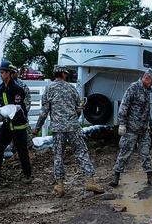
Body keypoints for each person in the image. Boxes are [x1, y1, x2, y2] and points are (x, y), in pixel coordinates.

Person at [32, 66, 104, 197]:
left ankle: (60, 185)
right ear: (64, 75)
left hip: (58, 128)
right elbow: (79, 108)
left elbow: (44, 112)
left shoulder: (49, 89)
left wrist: (37, 128)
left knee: (58, 155)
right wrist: (73, 119)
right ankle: (90, 181)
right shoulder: (71, 88)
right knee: (81, 152)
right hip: (73, 127)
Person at [112, 69, 152, 187]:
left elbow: (146, 110)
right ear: (146, 78)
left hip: (143, 130)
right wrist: (122, 123)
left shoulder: (147, 91)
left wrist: (151, 123)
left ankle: (150, 177)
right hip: (131, 129)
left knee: (145, 153)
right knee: (124, 153)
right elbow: (124, 106)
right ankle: (116, 178)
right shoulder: (133, 88)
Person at [0, 59, 32, 182]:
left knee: (21, 150)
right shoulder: (2, 87)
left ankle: (27, 175)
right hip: (7, 123)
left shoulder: (17, 88)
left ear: (9, 73)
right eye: (0, 72)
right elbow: (3, 104)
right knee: (0, 145)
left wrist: (11, 115)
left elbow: (19, 108)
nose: (1, 75)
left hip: (18, 124)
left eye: (3, 72)